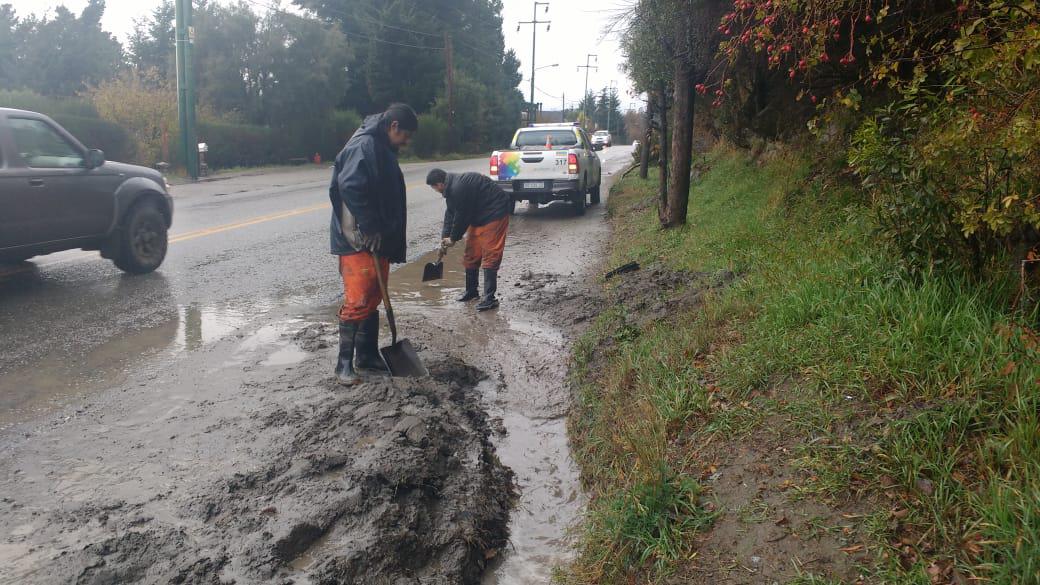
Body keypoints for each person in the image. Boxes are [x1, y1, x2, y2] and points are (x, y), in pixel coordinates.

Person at [329, 103, 418, 386]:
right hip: (358, 239)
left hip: (376, 239)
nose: (407, 141)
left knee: (372, 297)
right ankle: (343, 366)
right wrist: (370, 226)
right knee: (358, 301)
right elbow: (350, 186)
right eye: (406, 135)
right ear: (393, 127)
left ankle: (366, 357)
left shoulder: (380, 145)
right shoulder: (364, 146)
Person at [425, 168, 511, 311]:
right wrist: (444, 238)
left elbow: (462, 217)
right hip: (478, 215)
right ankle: (471, 292)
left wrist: (453, 238)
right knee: (471, 253)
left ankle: (490, 299)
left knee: (490, 254)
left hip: (495, 212)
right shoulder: (451, 189)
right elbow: (451, 214)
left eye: (434, 188)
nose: (435, 190)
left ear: (439, 184)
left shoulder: (458, 188)